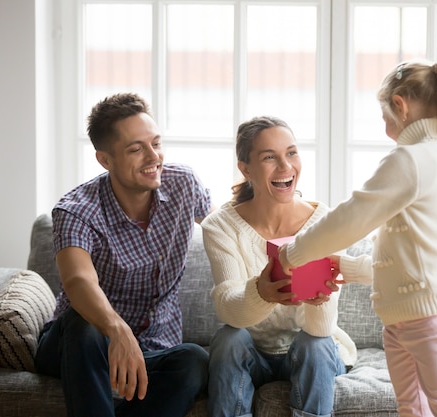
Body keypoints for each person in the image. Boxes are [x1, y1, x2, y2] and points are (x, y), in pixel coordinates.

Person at [279, 59, 437, 417]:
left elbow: (352, 217)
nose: (384, 123)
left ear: (400, 105)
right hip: (404, 316)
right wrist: (351, 267)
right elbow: (413, 251)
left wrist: (293, 253)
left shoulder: (411, 159)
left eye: (384, 113)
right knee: (411, 409)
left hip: (432, 314)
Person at [34, 93, 212, 417]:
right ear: (105, 160)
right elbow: (78, 280)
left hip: (154, 349)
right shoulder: (76, 210)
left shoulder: (183, 184)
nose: (153, 156)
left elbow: (226, 230)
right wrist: (117, 331)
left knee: (195, 361)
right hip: (79, 344)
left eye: (156, 143)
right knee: (84, 325)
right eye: (136, 149)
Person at [201, 116, 357, 417]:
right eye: (269, 157)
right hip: (252, 353)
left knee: (316, 343)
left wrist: (318, 299)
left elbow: (319, 329)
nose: (285, 167)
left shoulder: (328, 223)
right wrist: (261, 293)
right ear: (245, 169)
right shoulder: (220, 227)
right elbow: (230, 312)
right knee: (228, 338)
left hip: (310, 350)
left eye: (291, 153)